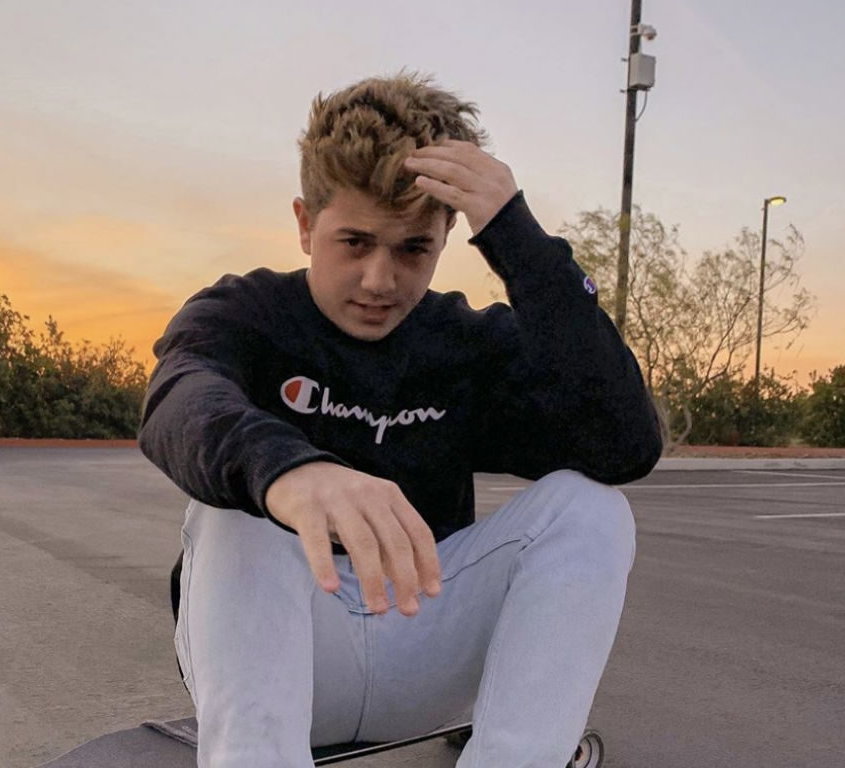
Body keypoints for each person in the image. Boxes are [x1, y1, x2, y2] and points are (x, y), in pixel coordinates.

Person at [139, 72, 663, 767]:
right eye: (354, 242)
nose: (381, 281)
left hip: (426, 644)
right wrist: (290, 473)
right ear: (304, 223)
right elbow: (179, 395)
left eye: (413, 248)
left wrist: (521, 241)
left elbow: (624, 442)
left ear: (447, 235)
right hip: (289, 658)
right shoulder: (248, 313)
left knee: (591, 508)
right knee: (233, 509)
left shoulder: (464, 343)